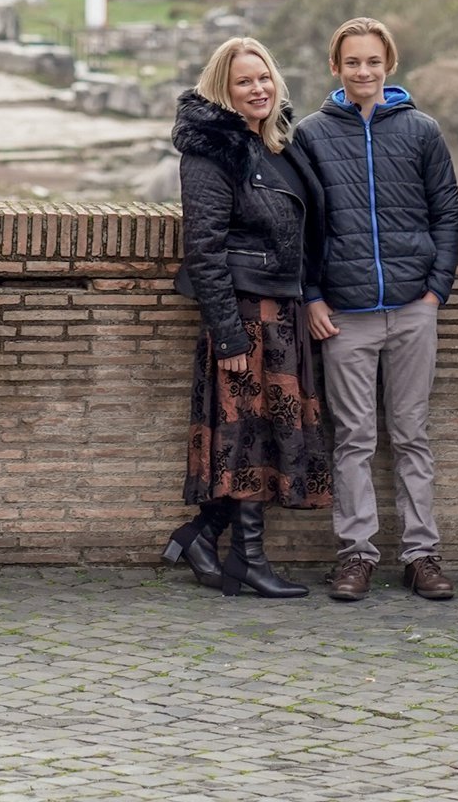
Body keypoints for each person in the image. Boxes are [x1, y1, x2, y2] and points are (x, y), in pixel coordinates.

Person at [159, 34, 331, 600]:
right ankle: (247, 560)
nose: (258, 89)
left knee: (266, 434)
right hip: (244, 314)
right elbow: (204, 250)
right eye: (243, 82)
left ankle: (201, 536)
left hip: (283, 311)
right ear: (223, 90)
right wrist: (229, 335)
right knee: (247, 437)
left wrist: (309, 295)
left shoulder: (281, 141)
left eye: (263, 78)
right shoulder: (211, 151)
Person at [299, 15, 458, 603]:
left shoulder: (422, 130)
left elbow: (447, 214)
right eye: (352, 62)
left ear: (388, 64)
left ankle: (421, 555)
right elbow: (300, 225)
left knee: (412, 434)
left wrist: (435, 292)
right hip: (345, 315)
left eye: (373, 61)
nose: (363, 71)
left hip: (413, 308)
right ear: (335, 67)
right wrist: (313, 296)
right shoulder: (311, 134)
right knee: (354, 439)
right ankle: (357, 555)